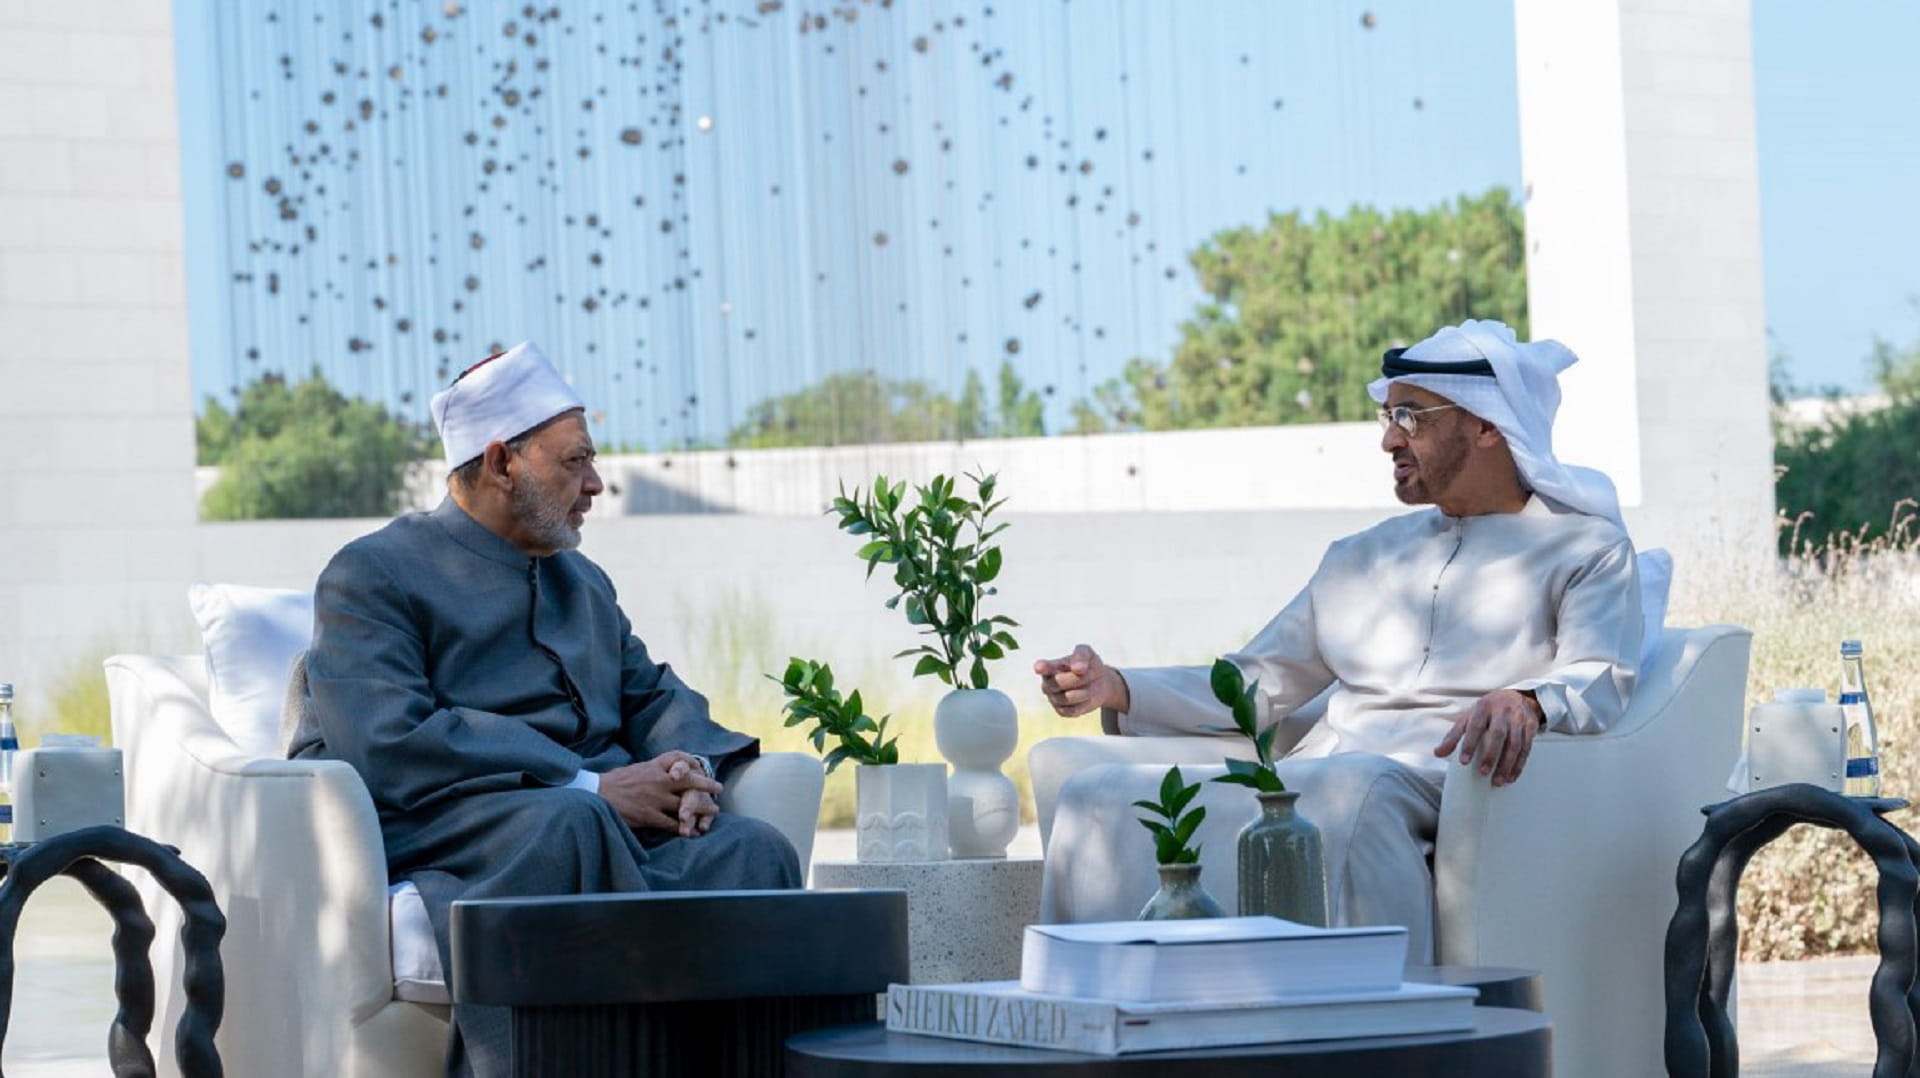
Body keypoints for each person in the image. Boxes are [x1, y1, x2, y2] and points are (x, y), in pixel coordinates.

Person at [1033, 319, 1643, 960]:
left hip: (1447, 785)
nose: (1388, 439)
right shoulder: (1361, 556)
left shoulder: (1585, 549)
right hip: (1323, 780)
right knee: (1093, 798)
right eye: (1386, 415)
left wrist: (1527, 700)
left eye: (1411, 417)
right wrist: (1118, 687)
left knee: (1355, 792)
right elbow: (1259, 682)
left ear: (1488, 425)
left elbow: (1600, 672)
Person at [288, 341, 801, 1077]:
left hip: (587, 825)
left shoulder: (581, 580)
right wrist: (590, 785)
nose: (595, 484)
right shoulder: (372, 573)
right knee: (572, 821)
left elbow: (651, 694)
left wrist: (689, 769)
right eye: (575, 462)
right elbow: (386, 739)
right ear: (501, 463)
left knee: (756, 850)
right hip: (453, 819)